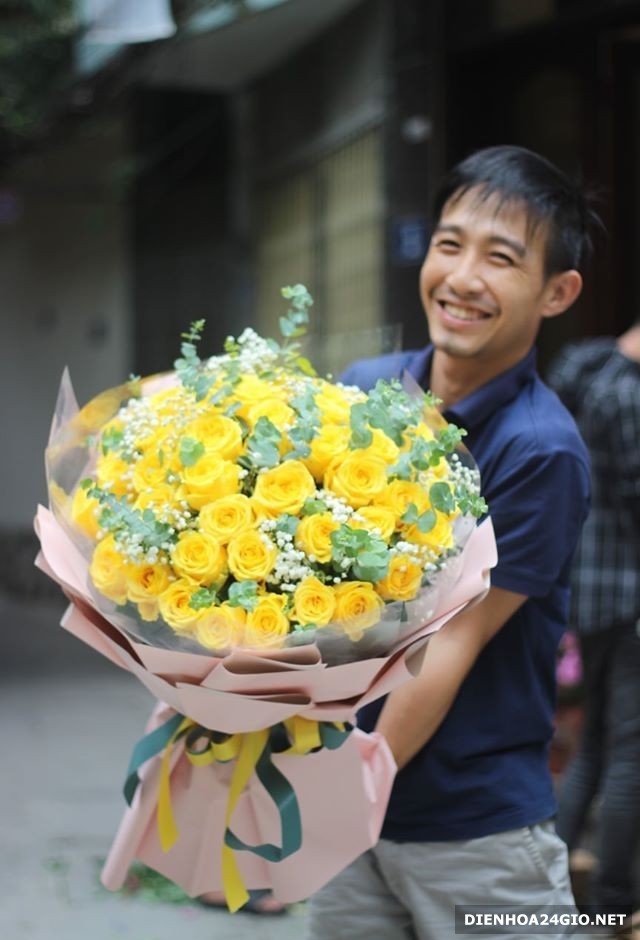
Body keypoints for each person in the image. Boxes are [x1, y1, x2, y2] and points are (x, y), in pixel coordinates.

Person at [305, 145, 597, 940]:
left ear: (558, 292)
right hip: (347, 807)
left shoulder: (540, 450)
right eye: (449, 244)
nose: (463, 277)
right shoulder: (365, 387)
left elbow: (454, 638)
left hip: (474, 833)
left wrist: (356, 783)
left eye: (501, 258)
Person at [547, 325, 640, 918]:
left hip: (595, 589)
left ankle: (551, 888)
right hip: (630, 594)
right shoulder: (628, 393)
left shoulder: (587, 377)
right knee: (631, 752)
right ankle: (614, 901)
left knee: (597, 745)